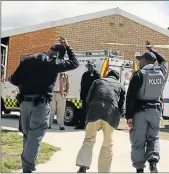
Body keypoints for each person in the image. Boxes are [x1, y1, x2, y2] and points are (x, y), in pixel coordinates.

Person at [9, 37, 79, 173]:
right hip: (40, 104)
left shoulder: (28, 59)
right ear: (59, 55)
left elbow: (13, 79)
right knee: (35, 136)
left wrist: (27, 84)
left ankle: (27, 166)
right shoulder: (54, 63)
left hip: (24, 103)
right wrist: (68, 47)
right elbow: (75, 63)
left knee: (27, 135)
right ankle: (27, 167)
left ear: (49, 50)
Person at [126, 41, 168, 173]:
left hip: (140, 112)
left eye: (140, 59)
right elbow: (164, 61)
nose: (138, 62)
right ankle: (153, 163)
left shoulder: (139, 74)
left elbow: (131, 96)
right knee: (153, 138)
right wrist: (153, 50)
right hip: (155, 111)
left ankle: (139, 169)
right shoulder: (162, 72)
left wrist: (128, 116)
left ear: (145, 60)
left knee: (138, 141)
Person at [76, 70, 126, 173]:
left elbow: (88, 99)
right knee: (108, 143)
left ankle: (83, 166)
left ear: (107, 75)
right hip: (111, 113)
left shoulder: (98, 81)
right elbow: (122, 108)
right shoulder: (121, 86)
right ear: (117, 78)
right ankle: (104, 171)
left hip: (95, 111)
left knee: (89, 139)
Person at [75, 60, 101, 129]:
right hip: (85, 96)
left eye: (91, 66)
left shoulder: (97, 74)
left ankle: (95, 126)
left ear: (93, 66)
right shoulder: (85, 74)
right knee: (83, 111)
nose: (90, 67)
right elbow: (82, 85)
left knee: (94, 111)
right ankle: (81, 125)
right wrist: (81, 96)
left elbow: (99, 86)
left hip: (94, 96)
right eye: (88, 66)